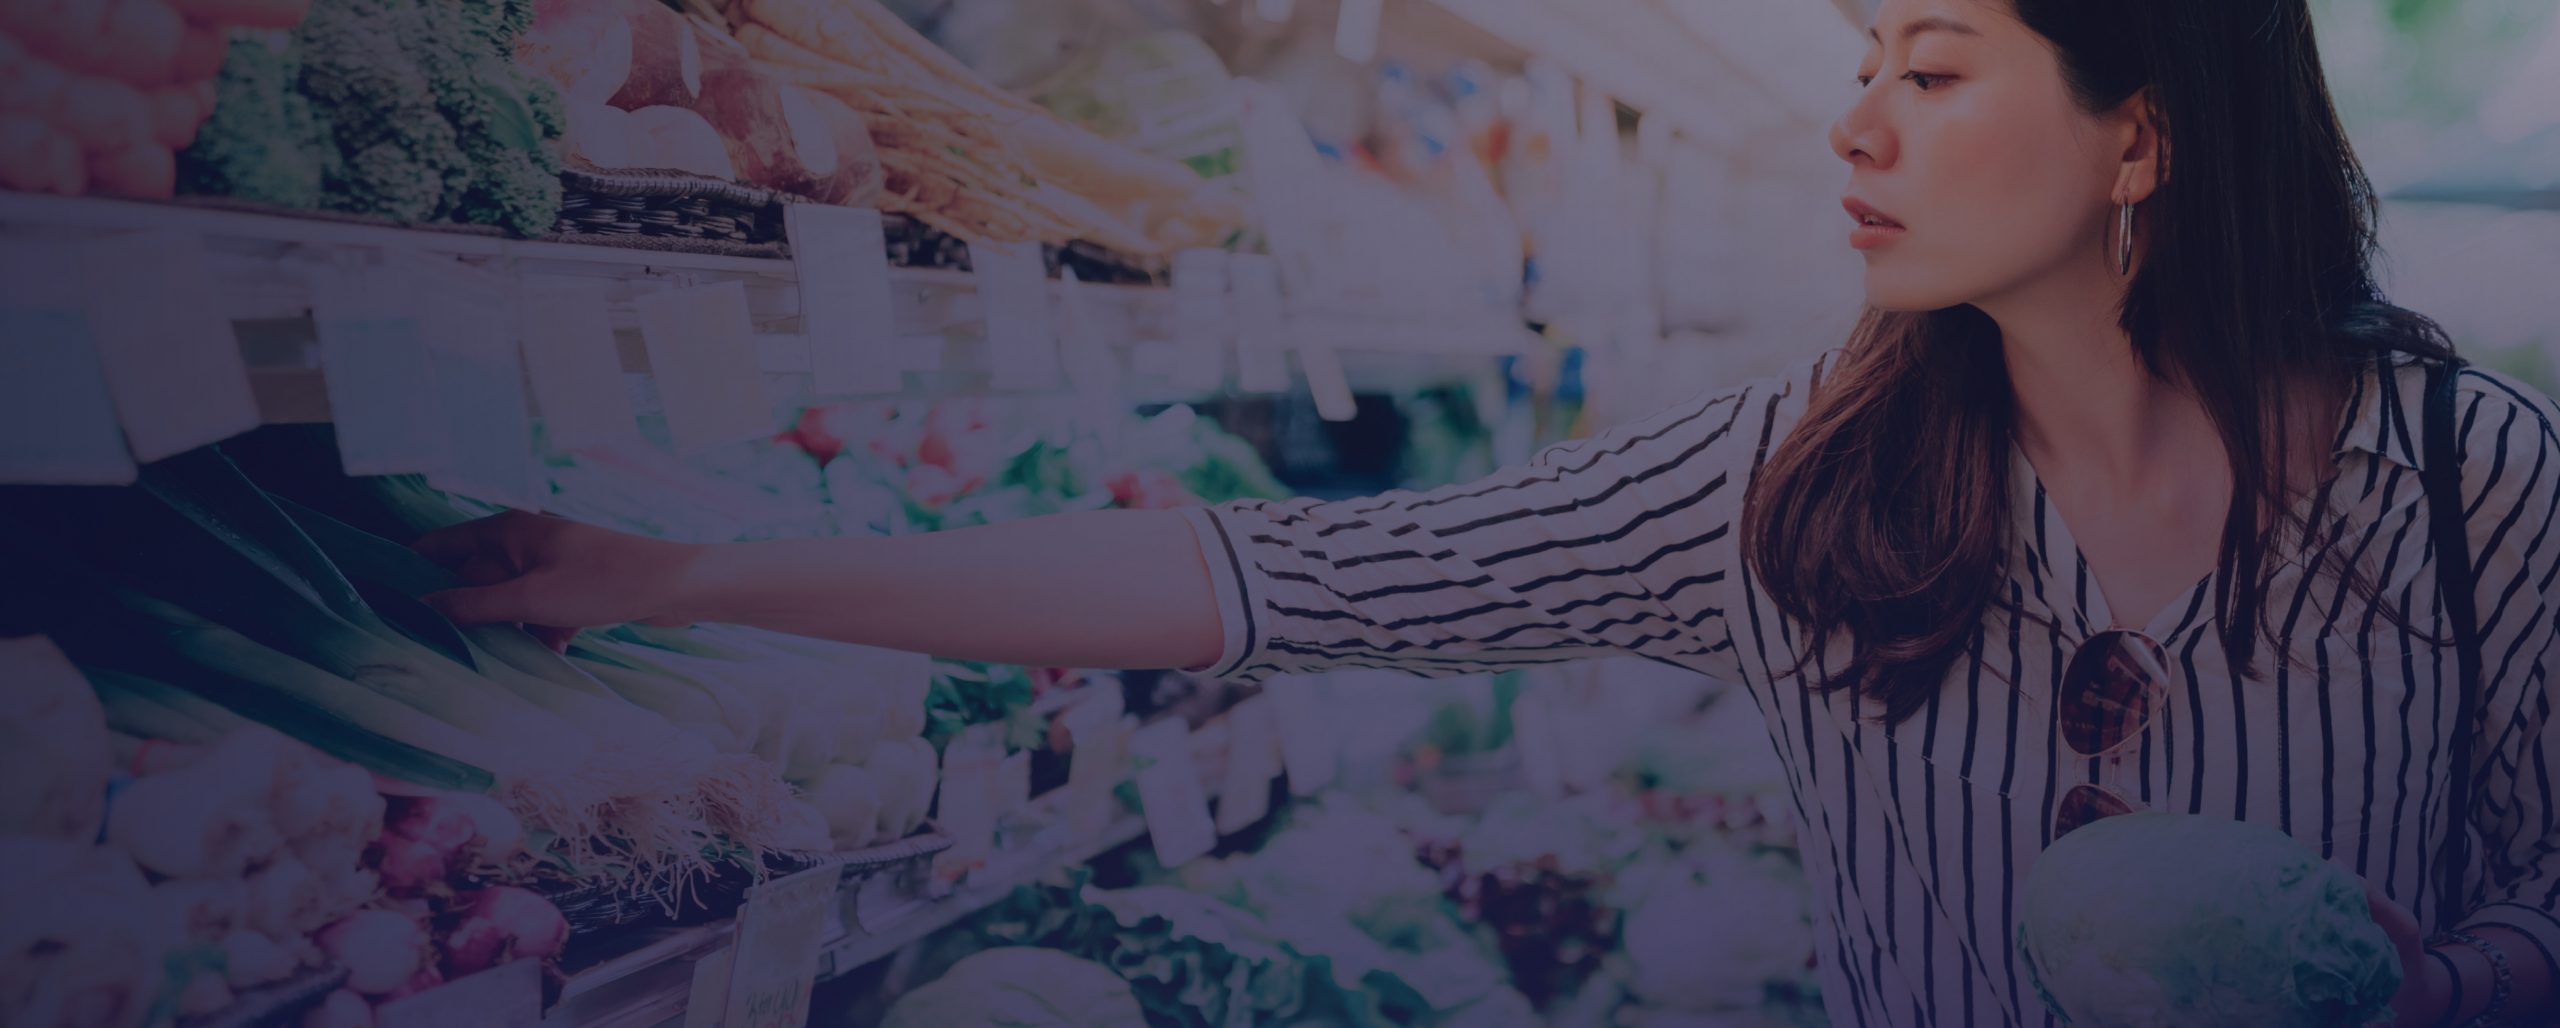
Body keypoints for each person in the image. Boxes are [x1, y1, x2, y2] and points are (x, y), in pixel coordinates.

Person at [416, 0, 2560, 1024]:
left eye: (1926, 66)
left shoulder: (2467, 487)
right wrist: (689, 572)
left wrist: (2436, 987)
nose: (1850, 120)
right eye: (1854, 61)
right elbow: (1280, 575)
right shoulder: (1789, 492)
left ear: (2136, 140)